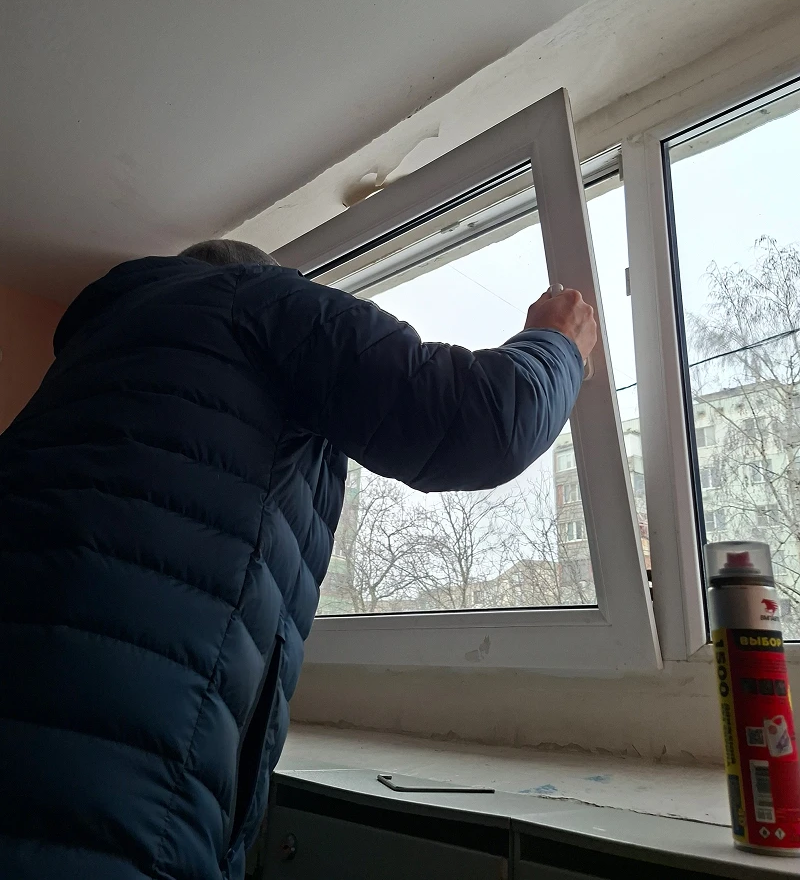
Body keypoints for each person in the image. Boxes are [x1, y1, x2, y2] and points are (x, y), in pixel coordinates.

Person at [0, 239, 596, 880]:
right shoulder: (255, 301)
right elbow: (478, 419)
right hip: (116, 794)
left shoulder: (83, 368)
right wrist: (557, 343)